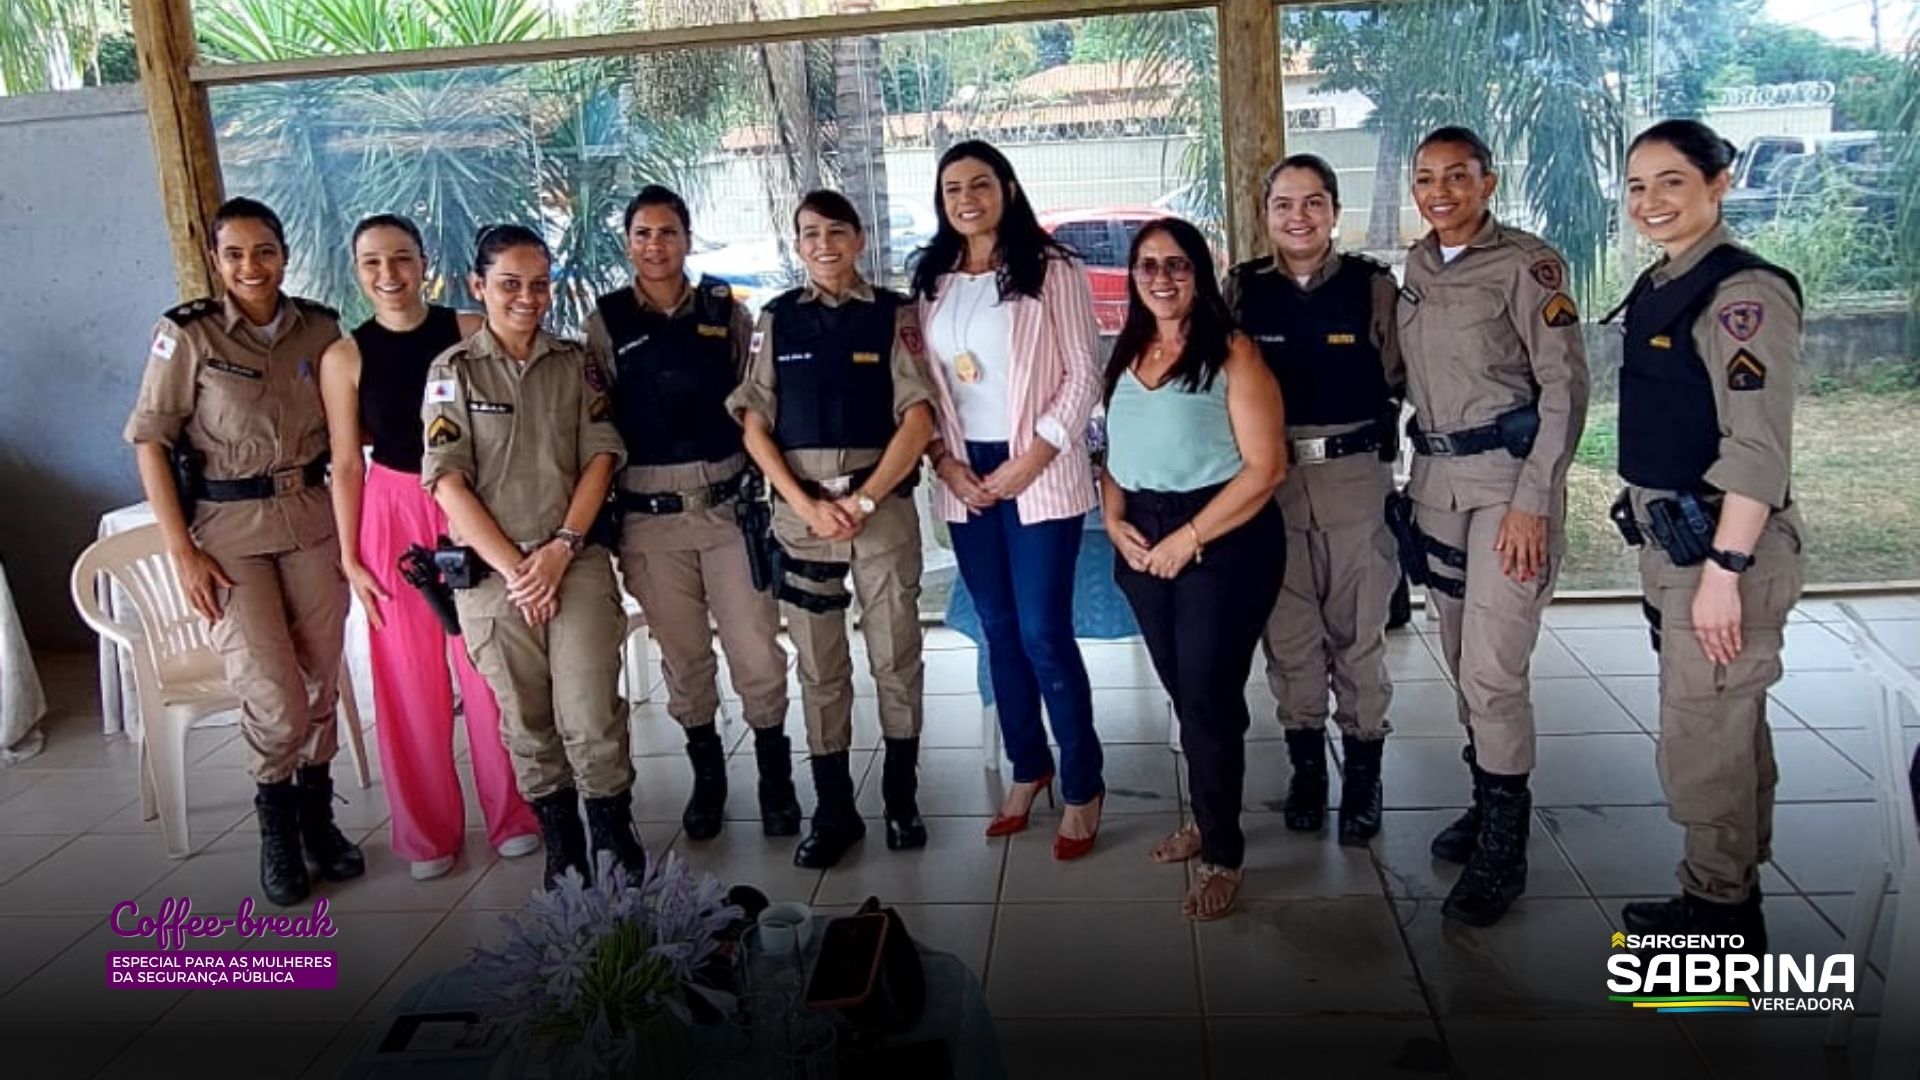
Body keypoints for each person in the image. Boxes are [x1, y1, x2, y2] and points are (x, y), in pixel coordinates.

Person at [123, 196, 362, 906]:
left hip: (312, 521)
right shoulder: (187, 334)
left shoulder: (319, 328)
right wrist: (180, 551)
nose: (250, 266)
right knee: (274, 696)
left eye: (263, 251)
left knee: (322, 681)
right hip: (229, 537)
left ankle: (319, 822)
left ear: (285, 255)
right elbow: (150, 442)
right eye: (234, 254)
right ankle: (277, 830)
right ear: (216, 261)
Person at [1609, 120, 1805, 949]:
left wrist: (1725, 569)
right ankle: (1726, 894)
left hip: (1723, 551)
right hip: (1680, 545)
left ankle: (1722, 926)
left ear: (1718, 183)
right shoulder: (1669, 281)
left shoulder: (1741, 295)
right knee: (1724, 725)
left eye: (1672, 182)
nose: (1651, 202)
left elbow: (1758, 448)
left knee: (1703, 736)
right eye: (1638, 186)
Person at [1397, 126, 1590, 928]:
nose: (1440, 191)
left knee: (1494, 670)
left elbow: (1565, 390)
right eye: (1426, 178)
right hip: (1438, 485)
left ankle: (1506, 845)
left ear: (1489, 182)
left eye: (1457, 176)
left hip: (1509, 492)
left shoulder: (1528, 265)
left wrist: (1533, 501)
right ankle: (1487, 800)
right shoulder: (1414, 266)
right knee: (1456, 657)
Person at [318, 214, 541, 881]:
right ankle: (426, 832)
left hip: (470, 506)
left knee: (489, 668)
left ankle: (516, 813)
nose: (389, 275)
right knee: (407, 679)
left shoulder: (470, 330)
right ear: (357, 271)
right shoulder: (344, 356)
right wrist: (350, 556)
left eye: (402, 259)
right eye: (372, 263)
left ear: (425, 264)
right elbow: (346, 462)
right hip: (392, 511)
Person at [421, 224, 640, 890]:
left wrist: (560, 551)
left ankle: (612, 834)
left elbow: (601, 455)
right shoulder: (451, 371)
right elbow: (446, 481)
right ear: (478, 286)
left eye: (539, 283)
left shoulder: (575, 365)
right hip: (496, 580)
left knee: (590, 710)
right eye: (510, 283)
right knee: (527, 718)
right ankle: (563, 844)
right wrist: (521, 570)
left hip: (573, 565)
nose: (527, 297)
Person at [728, 190, 938, 870]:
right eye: (809, 233)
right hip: (803, 519)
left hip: (881, 513)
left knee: (896, 653)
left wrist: (867, 501)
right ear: (797, 244)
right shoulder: (777, 319)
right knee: (820, 666)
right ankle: (835, 808)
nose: (823, 244)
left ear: (860, 240)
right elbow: (754, 423)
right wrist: (806, 503)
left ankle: (901, 797)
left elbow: (919, 418)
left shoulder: (892, 314)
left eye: (837, 232)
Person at [584, 186, 799, 843]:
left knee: (757, 649)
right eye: (644, 234)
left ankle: (774, 776)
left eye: (669, 232)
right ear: (628, 243)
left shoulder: (722, 310)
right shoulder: (608, 320)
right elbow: (596, 419)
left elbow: (757, 401)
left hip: (728, 508)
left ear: (687, 237)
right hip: (650, 519)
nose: (657, 245)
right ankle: (709, 776)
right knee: (683, 659)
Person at [910, 140, 1106, 859]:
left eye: (981, 184)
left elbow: (1085, 375)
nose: (967, 198)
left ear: (1008, 189)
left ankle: (1083, 783)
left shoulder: (1053, 270)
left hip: (1039, 466)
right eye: (953, 187)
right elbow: (923, 389)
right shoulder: (931, 278)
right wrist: (945, 464)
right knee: (997, 628)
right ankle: (1030, 767)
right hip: (966, 475)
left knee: (1042, 632)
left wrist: (1034, 457)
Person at [1103, 218, 1288, 921]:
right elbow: (1114, 452)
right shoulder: (1127, 351)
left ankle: (1223, 854)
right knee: (1189, 694)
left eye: (1177, 265)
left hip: (1224, 536)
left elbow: (1268, 468)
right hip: (1144, 540)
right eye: (1148, 266)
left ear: (1201, 274)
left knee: (1208, 698)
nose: (1162, 278)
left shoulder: (1232, 352)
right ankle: (1212, 816)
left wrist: (1189, 537)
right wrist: (1114, 516)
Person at [1227, 154, 1403, 847]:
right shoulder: (1244, 289)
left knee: (1358, 632)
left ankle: (1364, 770)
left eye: (1313, 203)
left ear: (1334, 211)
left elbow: (1400, 373)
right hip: (1270, 480)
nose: (1298, 217)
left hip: (1354, 476)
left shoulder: (1371, 286)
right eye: (1283, 204)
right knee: (1290, 632)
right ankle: (1308, 766)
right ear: (1266, 213)